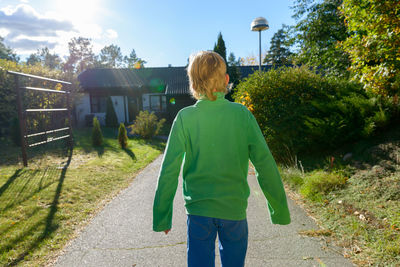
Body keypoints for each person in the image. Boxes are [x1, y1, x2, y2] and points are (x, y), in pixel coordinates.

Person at [153, 51, 291, 267]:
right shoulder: (242, 115)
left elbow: (169, 169)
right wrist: (279, 209)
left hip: (199, 212)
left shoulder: (185, 118)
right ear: (226, 80)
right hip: (234, 211)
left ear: (193, 84)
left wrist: (162, 215)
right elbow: (264, 162)